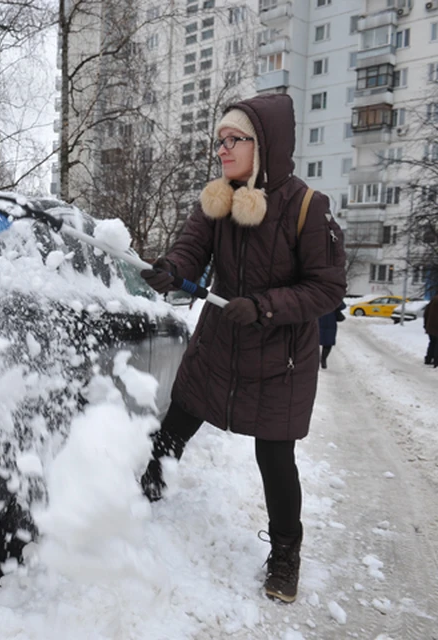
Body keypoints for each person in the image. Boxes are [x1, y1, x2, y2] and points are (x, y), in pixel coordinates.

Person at [139, 94, 346, 604]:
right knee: (176, 424)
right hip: (218, 344)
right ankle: (145, 494)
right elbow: (191, 249)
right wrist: (172, 271)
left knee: (275, 458)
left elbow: (326, 288)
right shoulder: (218, 200)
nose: (223, 150)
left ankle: (285, 554)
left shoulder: (305, 207)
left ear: (264, 146)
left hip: (281, 358)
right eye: (219, 142)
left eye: (234, 140)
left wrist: (263, 306)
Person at [318, 301, 346, 369]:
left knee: (321, 343)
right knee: (326, 343)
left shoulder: (318, 293)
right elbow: (343, 306)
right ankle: (322, 359)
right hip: (327, 322)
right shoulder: (332, 295)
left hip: (322, 322)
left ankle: (321, 360)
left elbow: (343, 306)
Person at [424, 298, 438, 367]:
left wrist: (425, 324)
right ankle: (436, 361)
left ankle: (428, 359)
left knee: (432, 342)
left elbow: (426, 313)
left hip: (430, 326)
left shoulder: (433, 300)